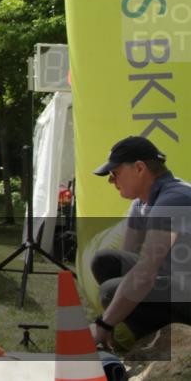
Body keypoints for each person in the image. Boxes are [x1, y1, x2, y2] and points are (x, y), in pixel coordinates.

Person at [90, 136, 191, 350]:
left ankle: (166, 346)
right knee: (105, 262)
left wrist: (104, 323)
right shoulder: (142, 203)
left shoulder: (175, 198)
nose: (111, 180)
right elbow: (127, 264)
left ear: (139, 168)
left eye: (114, 173)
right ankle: (154, 341)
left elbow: (145, 271)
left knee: (110, 291)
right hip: (178, 285)